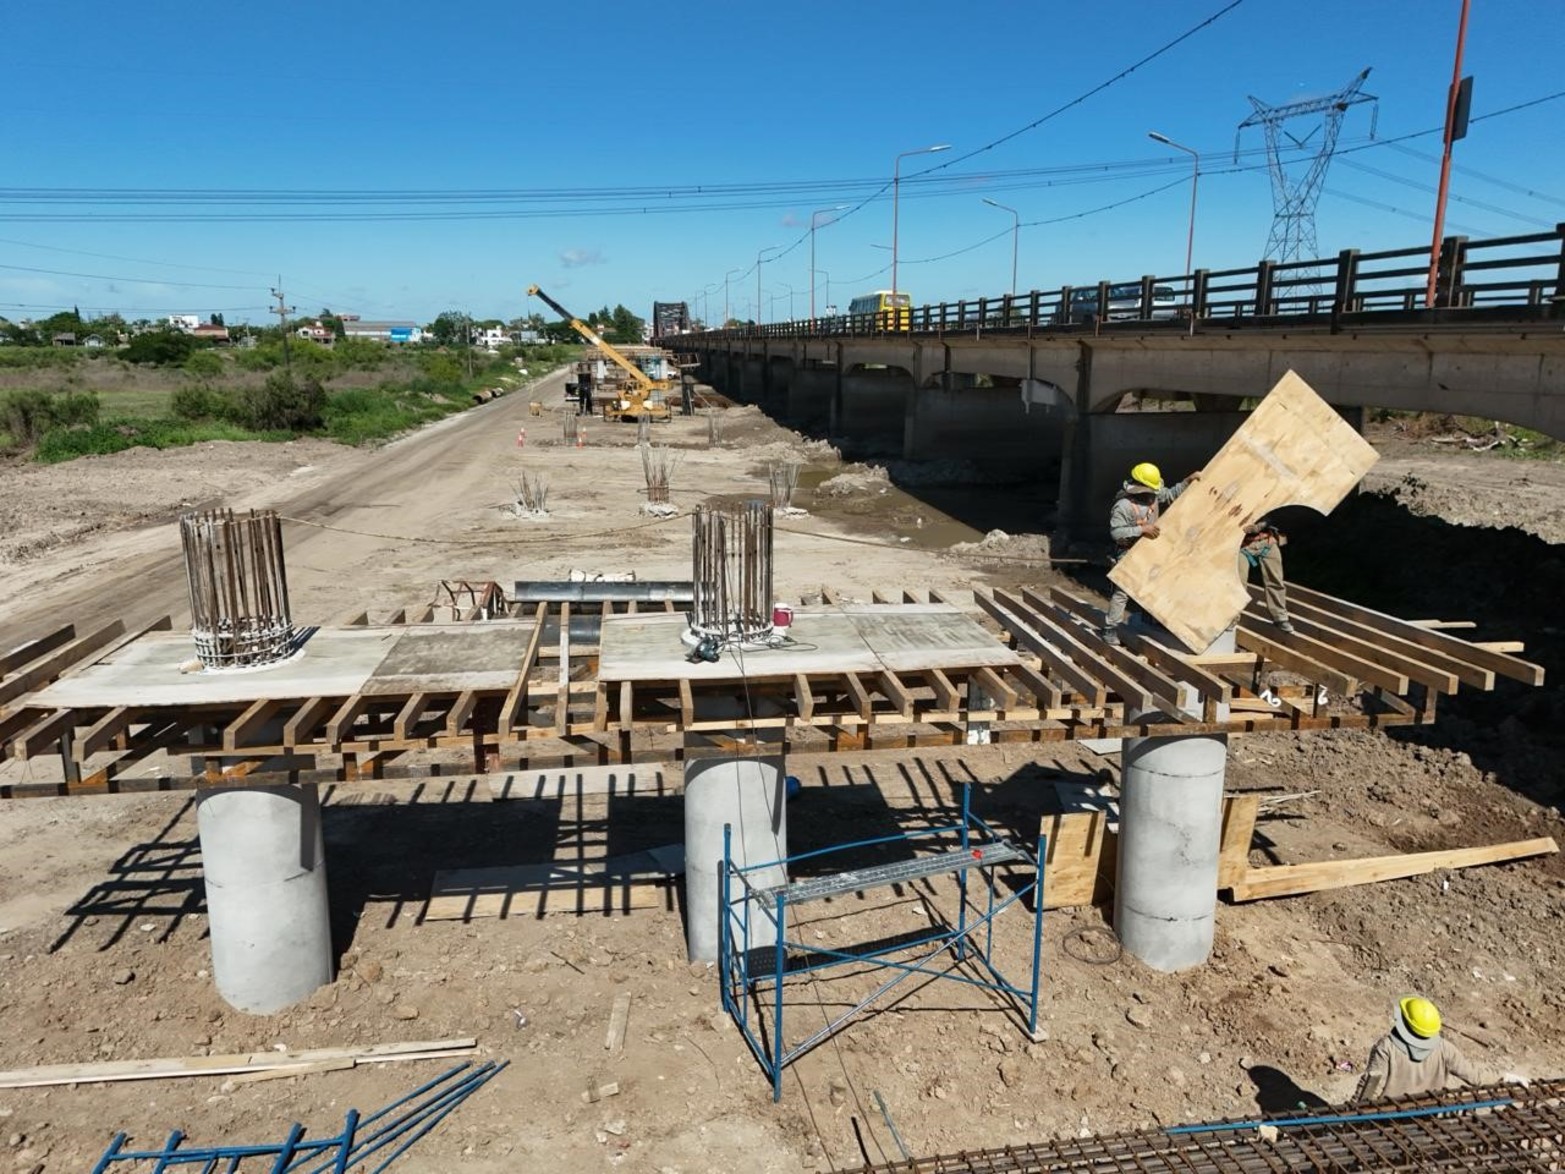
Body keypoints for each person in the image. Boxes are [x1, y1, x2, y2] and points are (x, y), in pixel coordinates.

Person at [1102, 461, 1199, 645]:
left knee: (1156, 585)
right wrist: (1141, 530)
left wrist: (1186, 482)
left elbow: (1170, 495)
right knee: (1122, 592)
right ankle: (1110, 629)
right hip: (1128, 552)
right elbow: (1116, 533)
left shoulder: (1152, 496)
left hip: (1150, 551)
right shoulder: (1123, 506)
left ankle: (1153, 620)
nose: (1154, 494)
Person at [1352, 996, 1501, 1102]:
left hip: (1389, 1119)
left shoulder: (1387, 1047)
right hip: (1428, 1117)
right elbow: (1476, 1077)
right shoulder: (1445, 1049)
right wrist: (1502, 1076)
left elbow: (1369, 1089)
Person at [1240, 518, 1294, 633]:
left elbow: (1277, 510)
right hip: (1241, 546)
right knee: (1239, 582)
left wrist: (1262, 524)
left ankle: (1280, 617)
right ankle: (1232, 619)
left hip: (1267, 541)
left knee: (1275, 580)